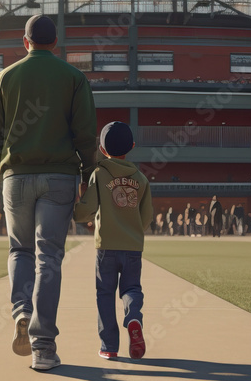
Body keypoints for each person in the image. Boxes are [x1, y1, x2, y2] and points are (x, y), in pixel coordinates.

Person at [0, 14, 98, 371]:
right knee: (50, 257)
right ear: (55, 43)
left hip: (16, 178)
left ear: (25, 41)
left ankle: (21, 310)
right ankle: (43, 346)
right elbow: (86, 134)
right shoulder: (74, 79)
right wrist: (87, 176)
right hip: (60, 177)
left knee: (20, 249)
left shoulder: (4, 78)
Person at [74, 121, 152, 360]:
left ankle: (109, 346)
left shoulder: (100, 173)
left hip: (106, 247)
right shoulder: (141, 178)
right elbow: (146, 217)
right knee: (131, 288)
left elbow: (85, 211)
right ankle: (133, 317)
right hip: (132, 248)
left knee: (105, 294)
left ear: (102, 149)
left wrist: (79, 205)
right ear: (132, 146)